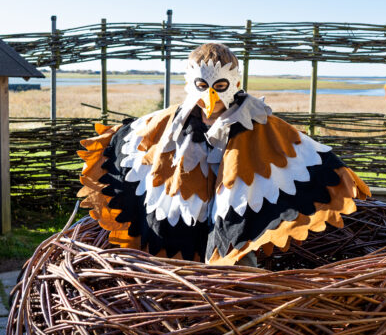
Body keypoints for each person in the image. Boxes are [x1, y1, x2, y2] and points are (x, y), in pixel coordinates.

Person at [78, 42, 370, 265]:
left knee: (237, 263)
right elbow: (142, 135)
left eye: (220, 86)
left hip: (233, 207)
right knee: (177, 259)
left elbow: (292, 144)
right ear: (189, 84)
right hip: (189, 207)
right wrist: (115, 138)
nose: (211, 97)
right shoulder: (173, 122)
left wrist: (335, 171)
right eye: (203, 86)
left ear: (237, 84)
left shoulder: (257, 121)